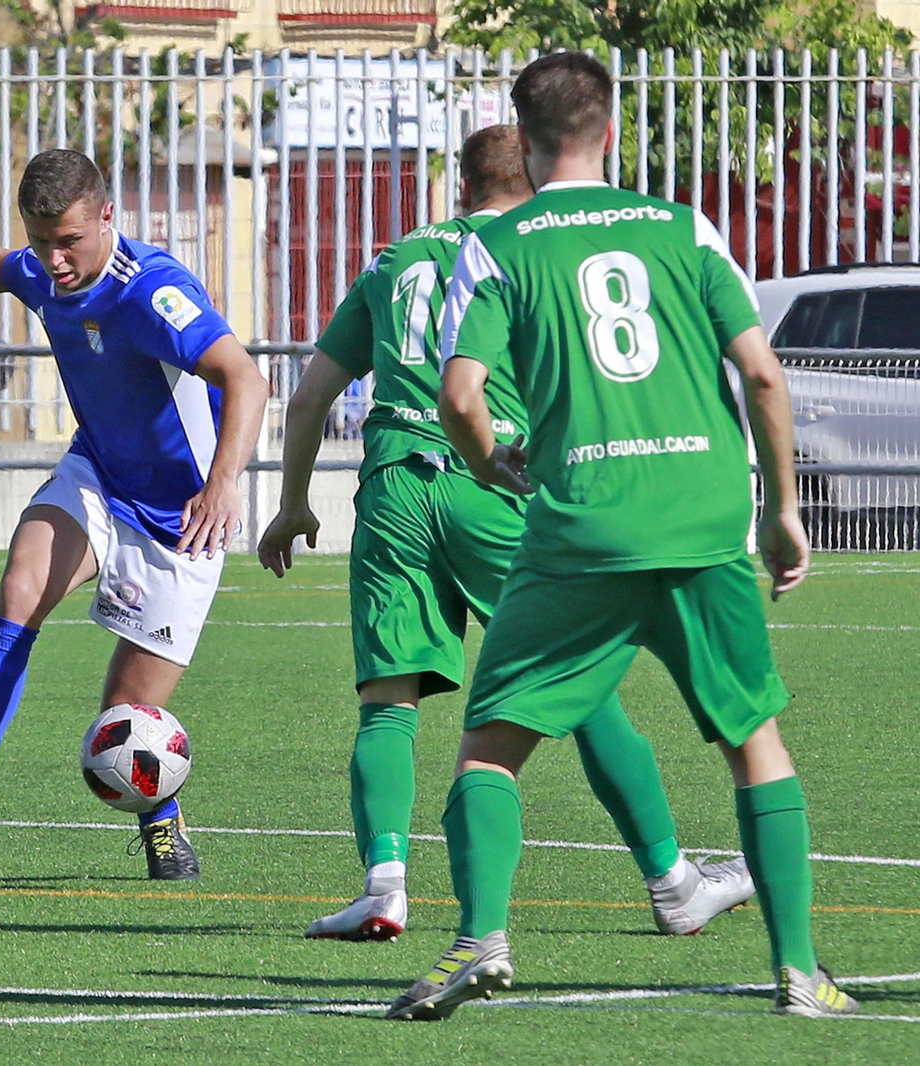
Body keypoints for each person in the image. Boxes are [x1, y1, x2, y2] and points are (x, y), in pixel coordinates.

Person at [387, 52, 853, 1020]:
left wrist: (491, 462)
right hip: (700, 516)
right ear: (610, 127)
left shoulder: (501, 242)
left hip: (580, 527)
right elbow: (763, 376)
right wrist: (782, 510)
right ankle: (799, 971)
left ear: (522, 133)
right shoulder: (685, 228)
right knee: (752, 741)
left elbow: (461, 397)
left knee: (487, 749)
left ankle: (480, 937)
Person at [258, 124, 753, 944]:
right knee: (582, 687)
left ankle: (383, 886)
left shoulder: (395, 257)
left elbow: (310, 395)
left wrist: (294, 504)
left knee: (388, 702)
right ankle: (673, 882)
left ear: (460, 184)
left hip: (391, 486)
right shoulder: (531, 249)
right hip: (493, 479)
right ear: (529, 173)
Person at [0, 149, 268, 880]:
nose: (54, 260)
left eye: (68, 240)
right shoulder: (41, 266)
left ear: (107, 217)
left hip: (181, 515)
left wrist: (224, 483)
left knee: (126, 714)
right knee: (20, 586)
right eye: (42, 241)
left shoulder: (153, 294)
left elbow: (246, 377)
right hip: (96, 475)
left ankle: (161, 820)